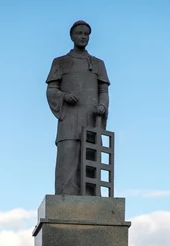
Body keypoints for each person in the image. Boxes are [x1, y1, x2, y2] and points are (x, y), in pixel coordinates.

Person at [46, 21, 110, 195]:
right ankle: (65, 198)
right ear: (71, 36)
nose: (83, 37)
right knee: (67, 160)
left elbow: (103, 91)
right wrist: (64, 96)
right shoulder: (60, 62)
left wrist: (102, 105)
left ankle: (91, 197)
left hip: (91, 119)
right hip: (69, 119)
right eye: (79, 33)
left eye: (86, 34)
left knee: (91, 159)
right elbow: (51, 89)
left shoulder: (98, 64)